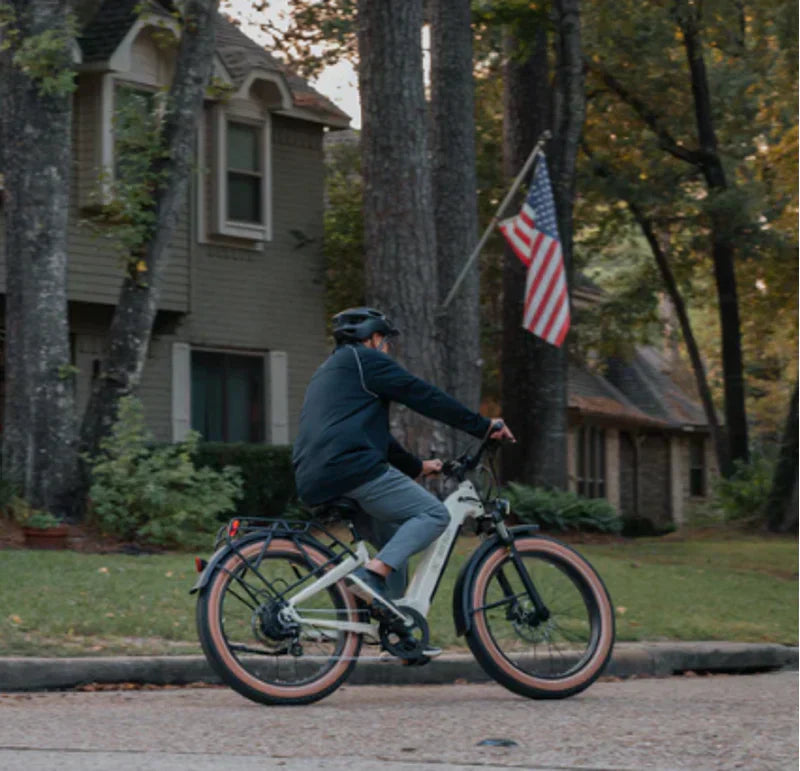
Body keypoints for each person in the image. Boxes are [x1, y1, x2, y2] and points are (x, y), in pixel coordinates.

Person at [292, 307, 515, 651]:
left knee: (396, 542)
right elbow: (423, 396)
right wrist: (483, 426)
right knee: (433, 515)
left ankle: (396, 633)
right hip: (352, 469)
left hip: (316, 475)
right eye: (386, 341)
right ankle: (370, 575)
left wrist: (416, 467)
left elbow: (371, 433)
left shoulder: (332, 370)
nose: (388, 349)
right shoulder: (367, 361)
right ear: (374, 338)